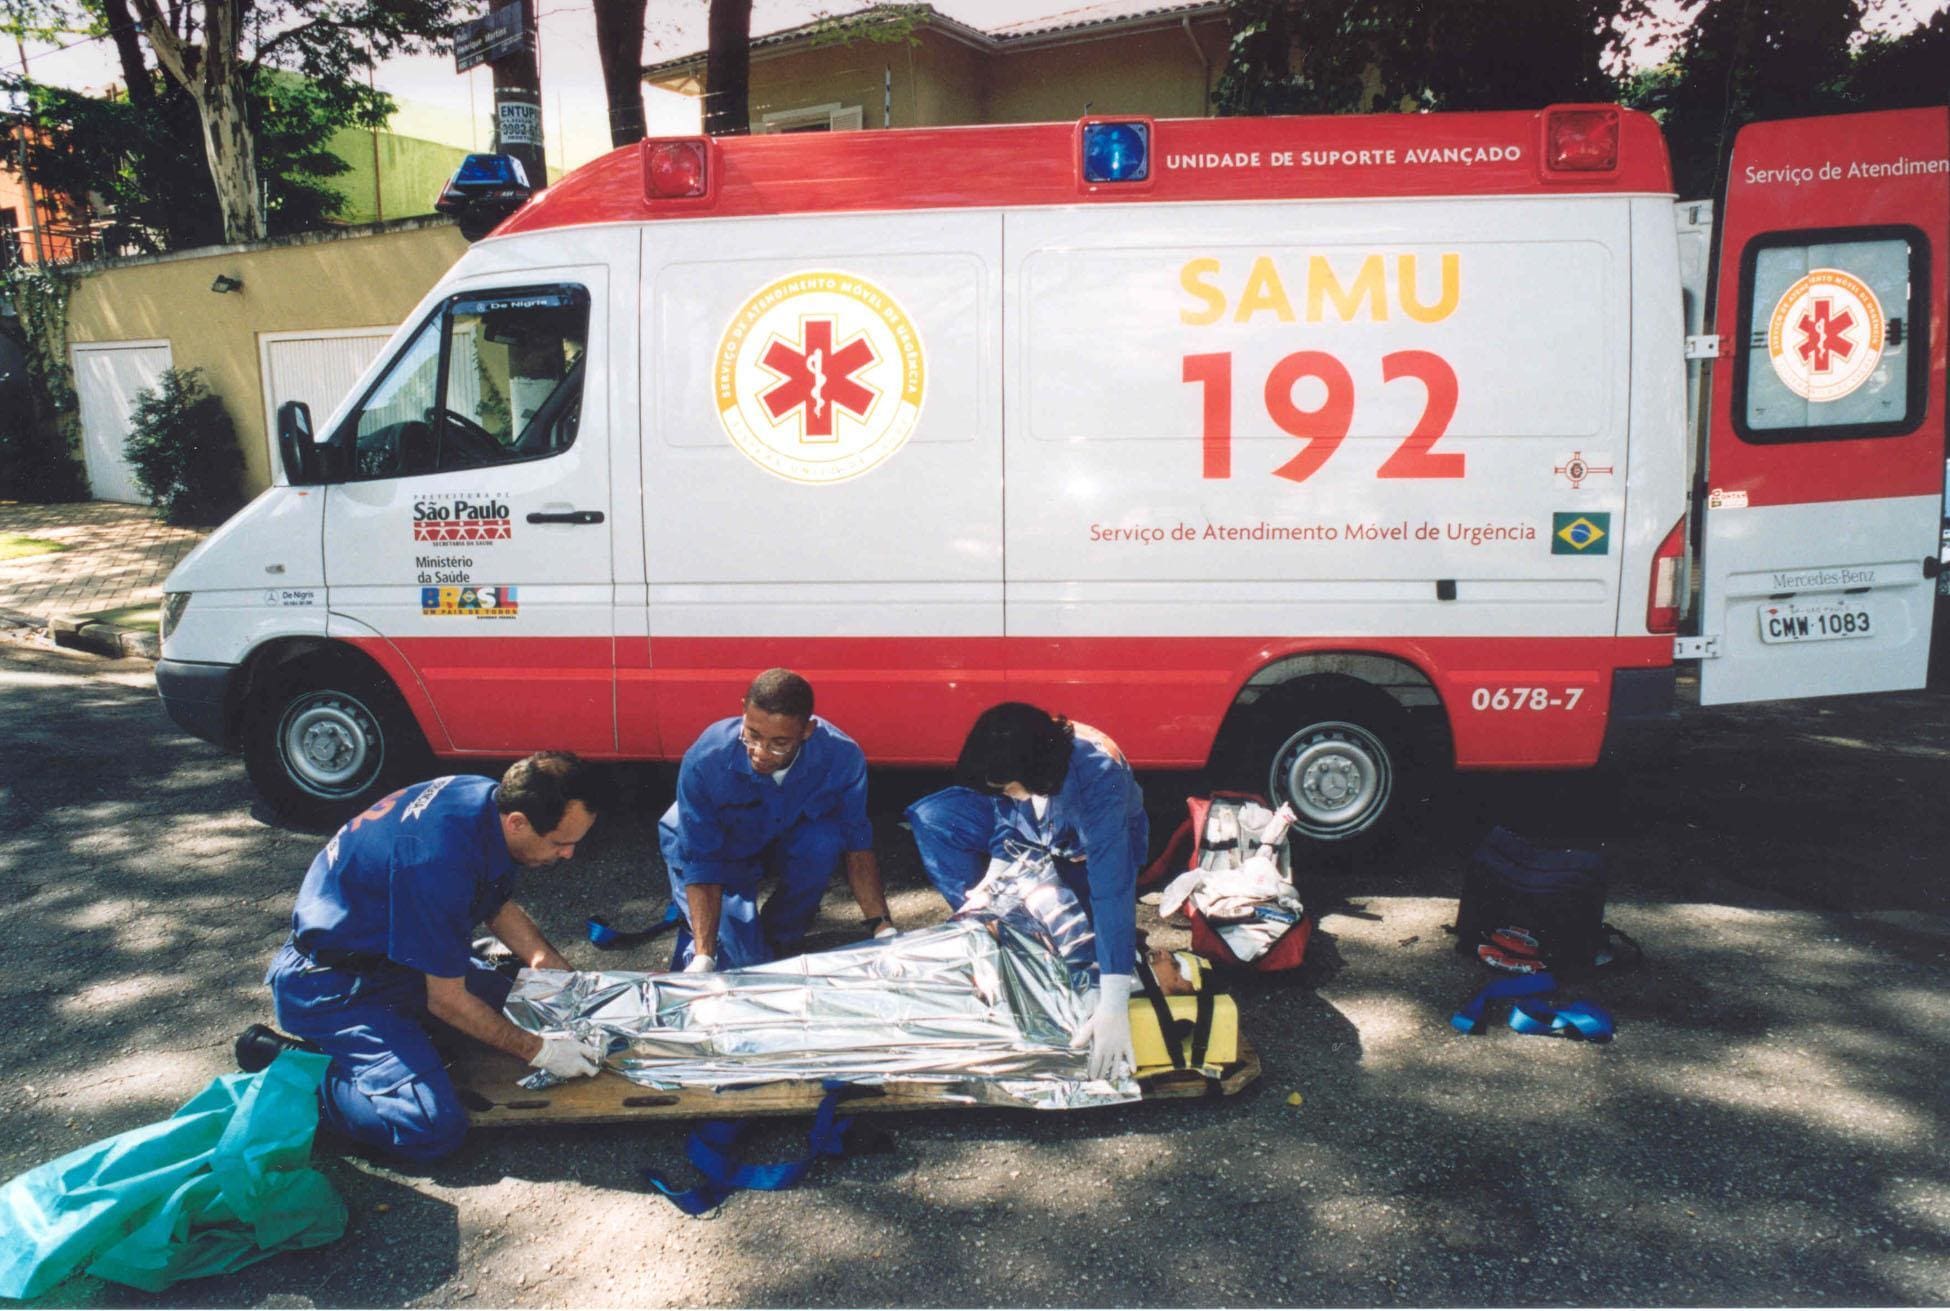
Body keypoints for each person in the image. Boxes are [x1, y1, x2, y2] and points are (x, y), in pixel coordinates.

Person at [261, 752, 612, 1163]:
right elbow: (446, 1000)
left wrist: (552, 972)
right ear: (517, 822)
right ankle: (296, 1069)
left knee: (530, 1008)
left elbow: (495, 903)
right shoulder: (436, 861)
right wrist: (541, 1051)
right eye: (560, 843)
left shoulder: (483, 798)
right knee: (429, 1126)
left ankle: (425, 1025)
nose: (569, 854)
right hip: (333, 986)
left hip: (393, 959)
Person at [904, 703, 1148, 1080]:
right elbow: (1010, 814)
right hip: (1043, 833)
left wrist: (1114, 1005)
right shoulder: (1019, 755)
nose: (1003, 792)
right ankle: (1002, 932)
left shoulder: (1098, 780)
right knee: (935, 817)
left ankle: (1100, 972)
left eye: (1006, 786)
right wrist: (994, 880)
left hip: (1087, 856)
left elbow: (1111, 888)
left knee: (1092, 955)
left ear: (1035, 773)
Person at [660, 668, 895, 971]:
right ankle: (725, 944)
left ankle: (779, 936)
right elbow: (703, 861)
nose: (760, 753)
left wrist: (883, 928)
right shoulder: (706, 758)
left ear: (807, 731)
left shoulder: (842, 756)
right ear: (743, 709)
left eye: (780, 743)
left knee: (823, 840)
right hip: (714, 849)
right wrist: (706, 955)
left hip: (772, 834)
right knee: (738, 964)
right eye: (752, 735)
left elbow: (857, 845)